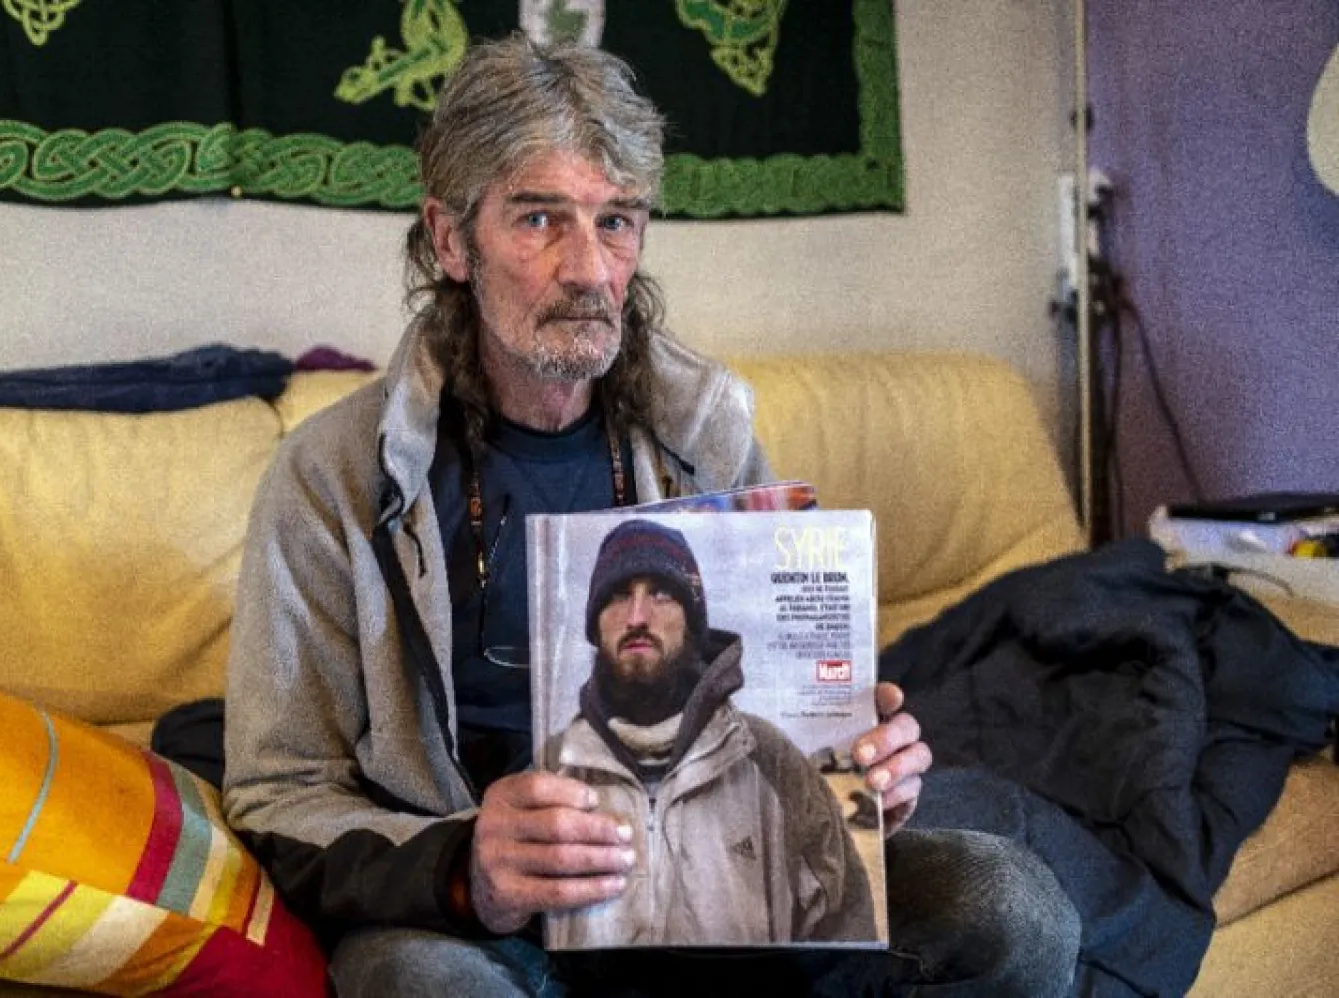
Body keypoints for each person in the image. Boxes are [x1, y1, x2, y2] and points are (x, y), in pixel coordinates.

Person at [221, 33, 1080, 998]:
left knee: (1011, 906)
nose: (590, 268)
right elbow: (277, 793)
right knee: (423, 986)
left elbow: (775, 728)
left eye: (618, 221)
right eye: (540, 219)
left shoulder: (706, 437)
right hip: (487, 925)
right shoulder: (333, 476)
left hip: (715, 888)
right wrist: (465, 869)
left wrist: (858, 777)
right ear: (452, 240)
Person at [543, 518, 877, 948]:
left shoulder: (770, 759)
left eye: (662, 593)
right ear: (596, 625)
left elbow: (846, 934)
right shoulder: (553, 769)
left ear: (692, 623)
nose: (637, 616)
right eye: (618, 595)